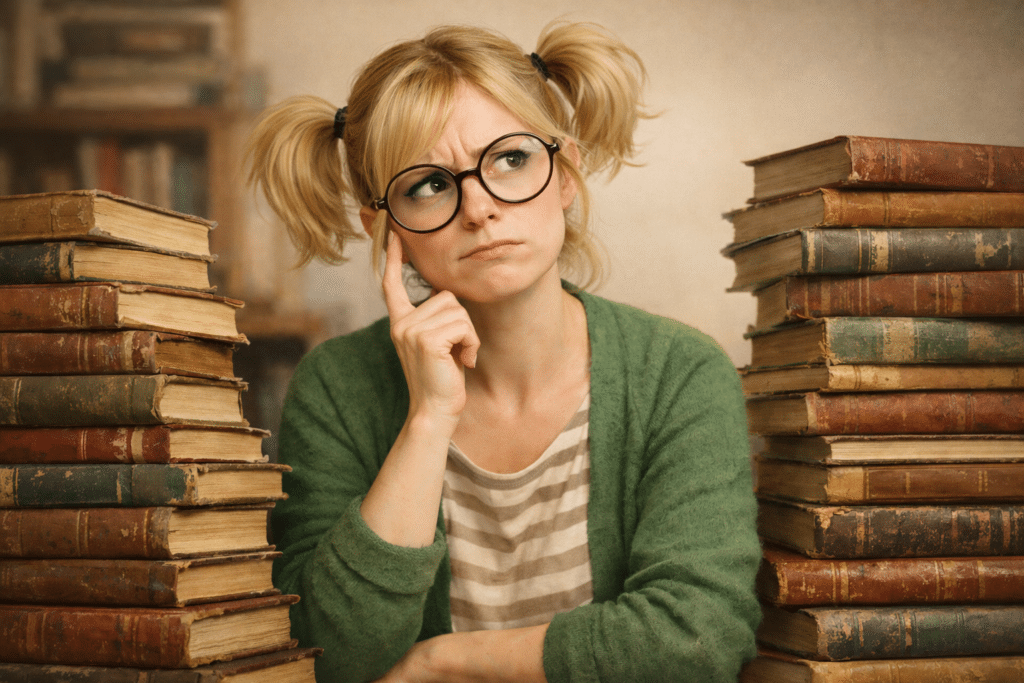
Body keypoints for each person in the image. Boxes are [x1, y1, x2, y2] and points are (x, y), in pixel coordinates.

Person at [246, 20, 761, 683]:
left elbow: (696, 639)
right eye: (428, 184)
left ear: (565, 172)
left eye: (511, 159)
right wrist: (428, 420)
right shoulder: (336, 385)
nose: (479, 208)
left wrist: (441, 663)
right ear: (384, 227)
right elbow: (330, 656)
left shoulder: (679, 373)